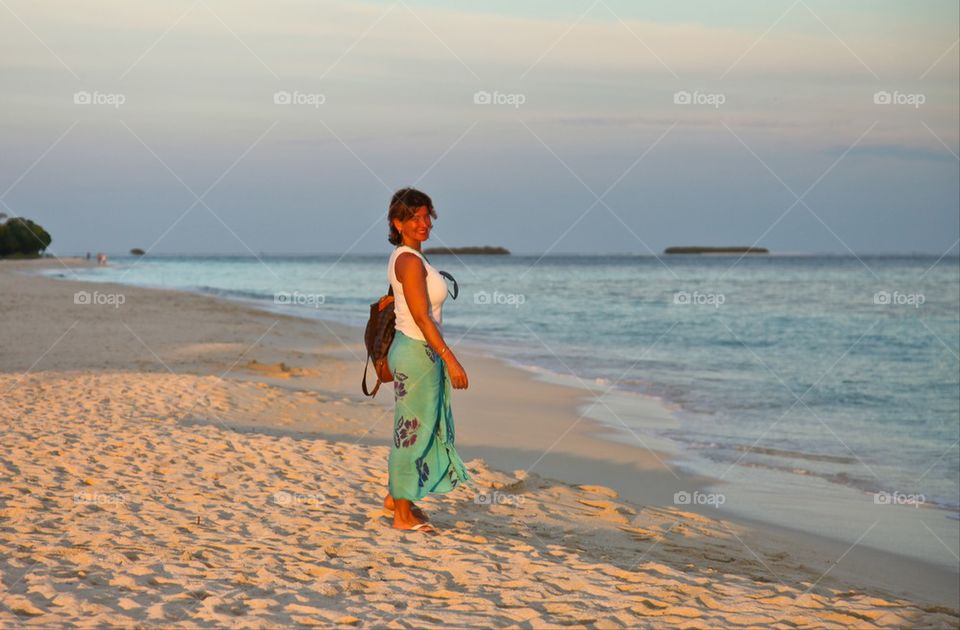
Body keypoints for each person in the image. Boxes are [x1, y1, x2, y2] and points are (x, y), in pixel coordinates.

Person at [383, 187, 473, 535]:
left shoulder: (411, 259)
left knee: (417, 428)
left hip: (418, 351)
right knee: (412, 433)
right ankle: (402, 516)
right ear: (398, 222)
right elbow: (422, 317)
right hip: (417, 352)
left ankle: (397, 498)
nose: (423, 224)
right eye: (414, 218)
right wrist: (451, 360)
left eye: (426, 217)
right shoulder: (407, 260)